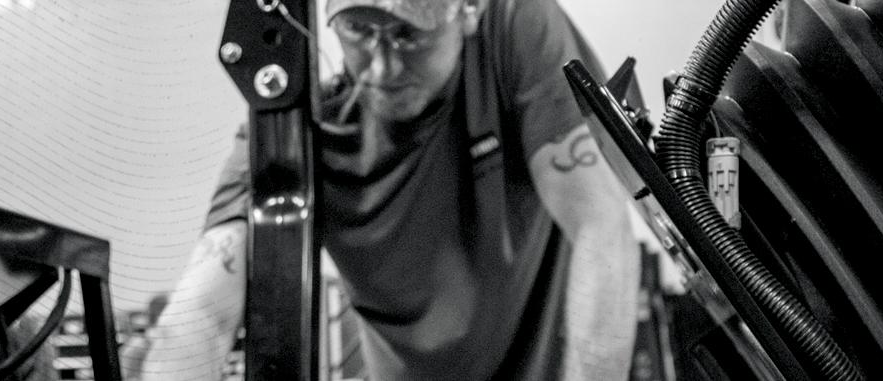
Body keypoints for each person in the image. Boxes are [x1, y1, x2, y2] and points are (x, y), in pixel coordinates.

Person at [132, 0, 646, 380]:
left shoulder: (514, 27)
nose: (381, 68)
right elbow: (203, 314)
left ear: (468, 11)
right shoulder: (298, 113)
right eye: (358, 30)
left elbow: (599, 223)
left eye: (408, 35)